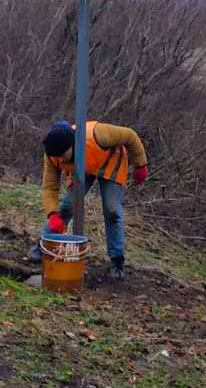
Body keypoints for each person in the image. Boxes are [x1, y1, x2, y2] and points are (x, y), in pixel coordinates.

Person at [35, 118, 149, 280]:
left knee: (112, 210)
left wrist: (140, 165)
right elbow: (49, 187)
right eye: (56, 156)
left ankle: (117, 260)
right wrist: (52, 214)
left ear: (72, 145)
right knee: (67, 206)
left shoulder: (98, 135)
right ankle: (42, 247)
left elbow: (130, 135)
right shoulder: (52, 153)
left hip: (111, 162)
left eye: (62, 155)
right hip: (82, 169)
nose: (59, 160)